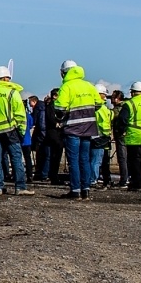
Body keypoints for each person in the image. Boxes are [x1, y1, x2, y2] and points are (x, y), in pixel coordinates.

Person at [0, 64, 33, 196]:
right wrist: (21, 131)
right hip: (10, 130)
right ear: (5, 78)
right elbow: (20, 114)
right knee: (16, 158)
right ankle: (20, 187)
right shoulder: (12, 93)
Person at [54, 60, 101, 200]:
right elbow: (99, 103)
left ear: (64, 72)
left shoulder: (66, 87)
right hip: (88, 128)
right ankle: (85, 190)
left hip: (72, 128)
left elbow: (60, 108)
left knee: (73, 160)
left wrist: (63, 117)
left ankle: (75, 190)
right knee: (85, 159)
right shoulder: (89, 86)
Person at [115, 81, 141, 193]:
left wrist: (121, 131)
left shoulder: (129, 104)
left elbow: (122, 119)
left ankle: (136, 184)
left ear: (132, 93)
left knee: (135, 161)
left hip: (134, 136)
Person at [90, 83, 112, 188]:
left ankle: (89, 178)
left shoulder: (90, 106)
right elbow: (104, 124)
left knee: (90, 159)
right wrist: (107, 134)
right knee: (96, 160)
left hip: (90, 135)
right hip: (100, 137)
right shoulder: (102, 108)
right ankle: (93, 179)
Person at [109, 90, 128, 188]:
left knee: (122, 158)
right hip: (128, 136)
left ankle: (124, 180)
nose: (111, 99)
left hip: (121, 136)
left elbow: (112, 118)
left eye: (112, 97)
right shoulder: (127, 106)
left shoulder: (117, 110)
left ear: (117, 98)